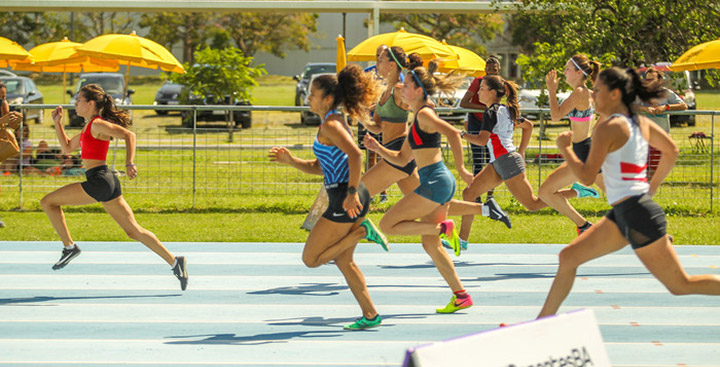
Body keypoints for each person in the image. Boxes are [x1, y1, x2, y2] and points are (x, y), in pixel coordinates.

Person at [536, 67, 720, 319]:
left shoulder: (607, 128)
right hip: (625, 212)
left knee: (681, 285)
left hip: (637, 214)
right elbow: (672, 150)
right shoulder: (640, 122)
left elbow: (588, 177)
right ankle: (542, 324)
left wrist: (565, 149)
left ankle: (542, 322)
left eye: (597, 91)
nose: (593, 97)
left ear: (614, 94)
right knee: (568, 257)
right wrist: (651, 186)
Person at [269, 64, 389, 330]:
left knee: (311, 259)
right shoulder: (329, 123)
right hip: (345, 194)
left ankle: (361, 232)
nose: (308, 97)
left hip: (346, 198)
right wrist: (291, 161)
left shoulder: (333, 123)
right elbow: (319, 167)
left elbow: (356, 155)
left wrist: (350, 193)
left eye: (312, 93)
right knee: (344, 261)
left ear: (327, 98)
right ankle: (371, 315)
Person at [40, 84, 189, 291]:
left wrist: (129, 162)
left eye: (79, 100)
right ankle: (175, 262)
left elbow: (130, 135)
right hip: (106, 182)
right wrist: (58, 123)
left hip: (99, 180)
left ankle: (70, 247)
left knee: (47, 202)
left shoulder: (98, 124)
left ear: (90, 103)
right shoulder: (88, 126)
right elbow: (66, 148)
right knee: (134, 231)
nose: (75, 104)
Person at [362, 47, 510, 252]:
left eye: (380, 59)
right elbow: (378, 126)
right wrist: (361, 117)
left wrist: (462, 169)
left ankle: (356, 234)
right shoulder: (384, 91)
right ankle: (485, 209)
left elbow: (425, 105)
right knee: (430, 203)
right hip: (394, 153)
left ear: (392, 64)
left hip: (398, 152)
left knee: (357, 194)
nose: (376, 63)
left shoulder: (399, 89)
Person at [365, 61, 475, 314]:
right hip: (436, 182)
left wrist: (463, 169)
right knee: (430, 245)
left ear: (418, 91)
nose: (402, 87)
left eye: (408, 84)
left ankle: (443, 227)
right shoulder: (417, 119)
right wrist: (377, 148)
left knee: (386, 225)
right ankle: (461, 295)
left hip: (436, 182)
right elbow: (403, 159)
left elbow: (454, 134)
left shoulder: (425, 114)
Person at [458, 75, 550, 243]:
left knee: (533, 205)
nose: (478, 92)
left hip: (507, 162)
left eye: (482, 89)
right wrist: (521, 151)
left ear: (492, 92)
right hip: (498, 162)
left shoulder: (491, 112)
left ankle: (575, 191)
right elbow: (528, 126)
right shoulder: (506, 110)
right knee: (469, 193)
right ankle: (462, 240)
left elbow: (481, 140)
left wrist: (461, 134)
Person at [539, 54, 603, 236]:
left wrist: (551, 90)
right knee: (546, 192)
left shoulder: (580, 93)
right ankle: (584, 226)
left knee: (546, 192)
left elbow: (555, 116)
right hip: (582, 152)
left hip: (583, 154)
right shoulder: (587, 93)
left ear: (578, 73)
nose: (564, 72)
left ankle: (584, 225)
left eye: (567, 69)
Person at [459, 55, 501, 202]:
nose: (491, 73)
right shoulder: (478, 81)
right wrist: (485, 107)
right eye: (489, 70)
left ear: (499, 70)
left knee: (493, 160)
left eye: (494, 70)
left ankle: (490, 196)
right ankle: (476, 195)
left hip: (492, 123)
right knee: (478, 159)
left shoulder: (501, 84)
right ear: (485, 70)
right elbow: (463, 103)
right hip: (476, 122)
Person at [637, 67, 687, 179]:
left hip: (661, 137)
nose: (649, 82)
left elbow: (683, 105)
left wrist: (666, 107)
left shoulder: (666, 93)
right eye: (647, 79)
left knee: (654, 170)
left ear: (659, 81)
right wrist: (645, 109)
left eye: (652, 79)